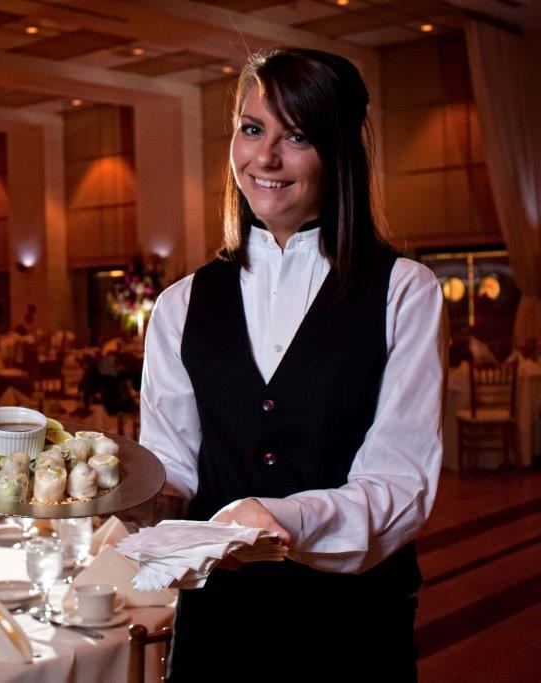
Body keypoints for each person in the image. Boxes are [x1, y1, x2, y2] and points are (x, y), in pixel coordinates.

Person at [140, 48, 447, 680]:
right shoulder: (179, 304)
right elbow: (173, 469)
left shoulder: (404, 292)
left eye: (297, 136)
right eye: (252, 129)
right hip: (218, 630)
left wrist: (282, 518)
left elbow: (400, 483)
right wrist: (123, 496)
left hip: (352, 630)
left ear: (339, 153)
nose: (265, 158)